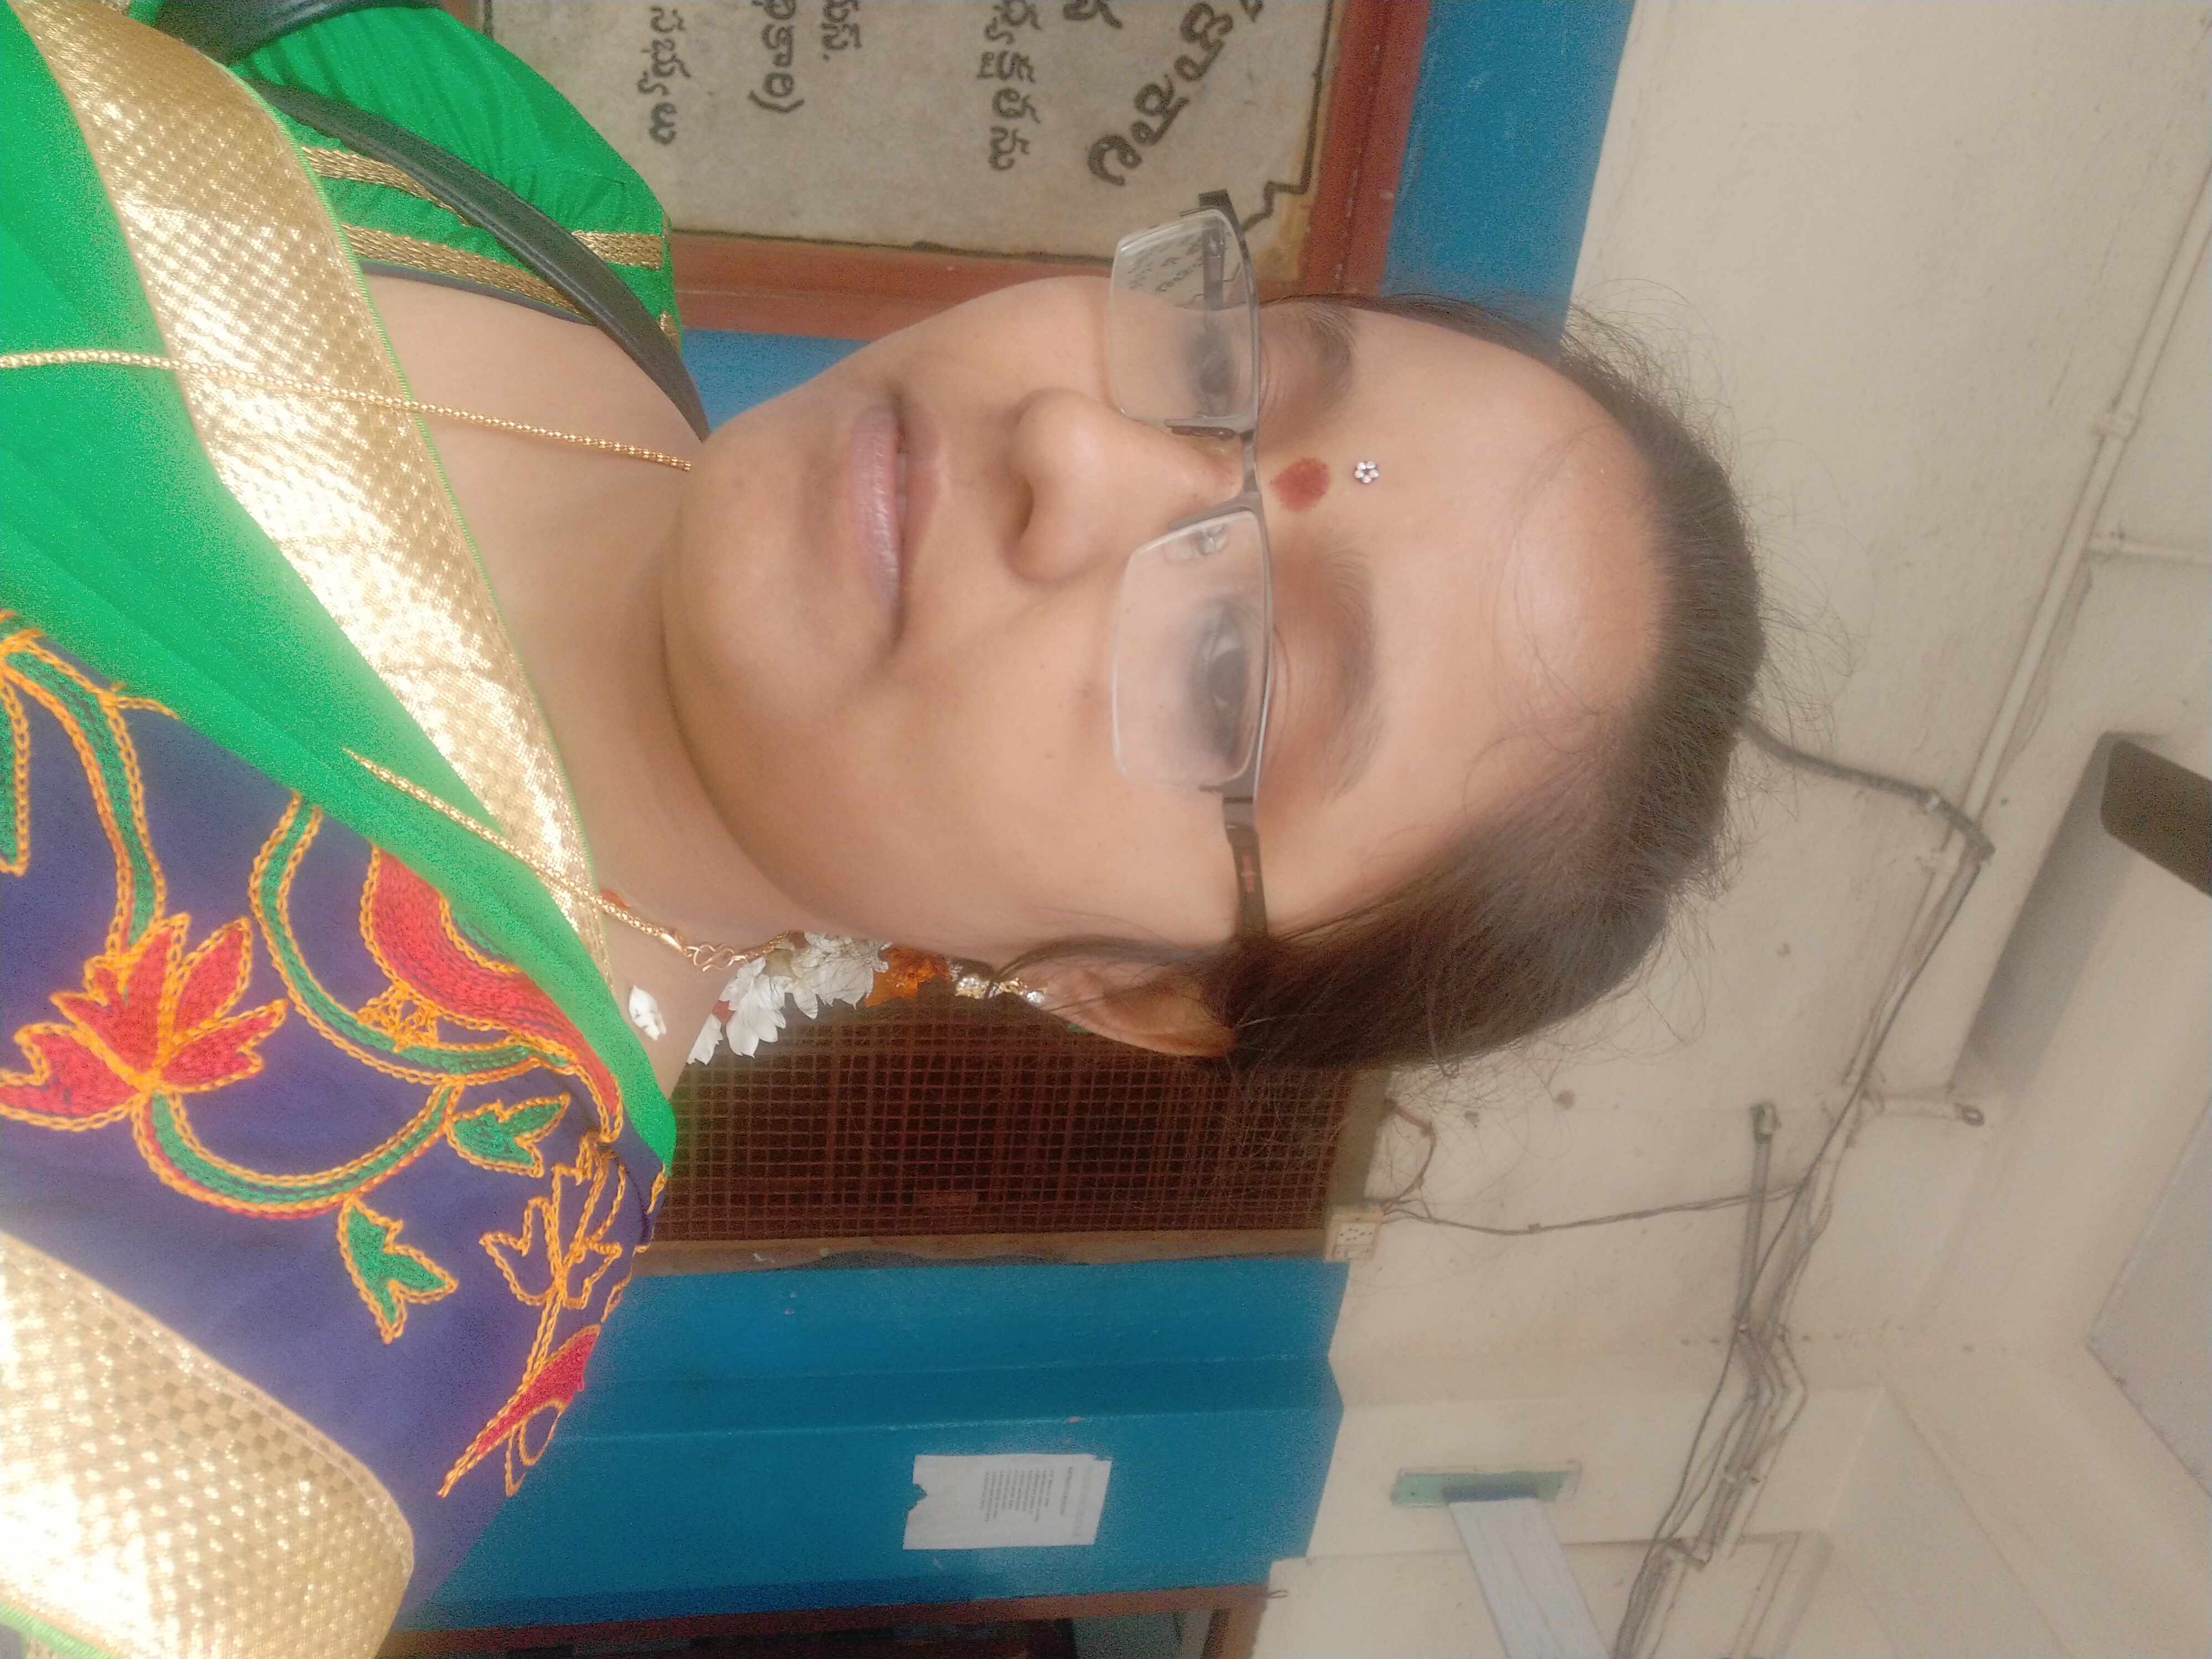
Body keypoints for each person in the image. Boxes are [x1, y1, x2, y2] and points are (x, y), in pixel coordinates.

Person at [0, 2, 1761, 1653]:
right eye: (1233, 366)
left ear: (1133, 993)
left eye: (1236, 673)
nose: (1076, 449)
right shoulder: (484, 175)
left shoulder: (263, 1380)